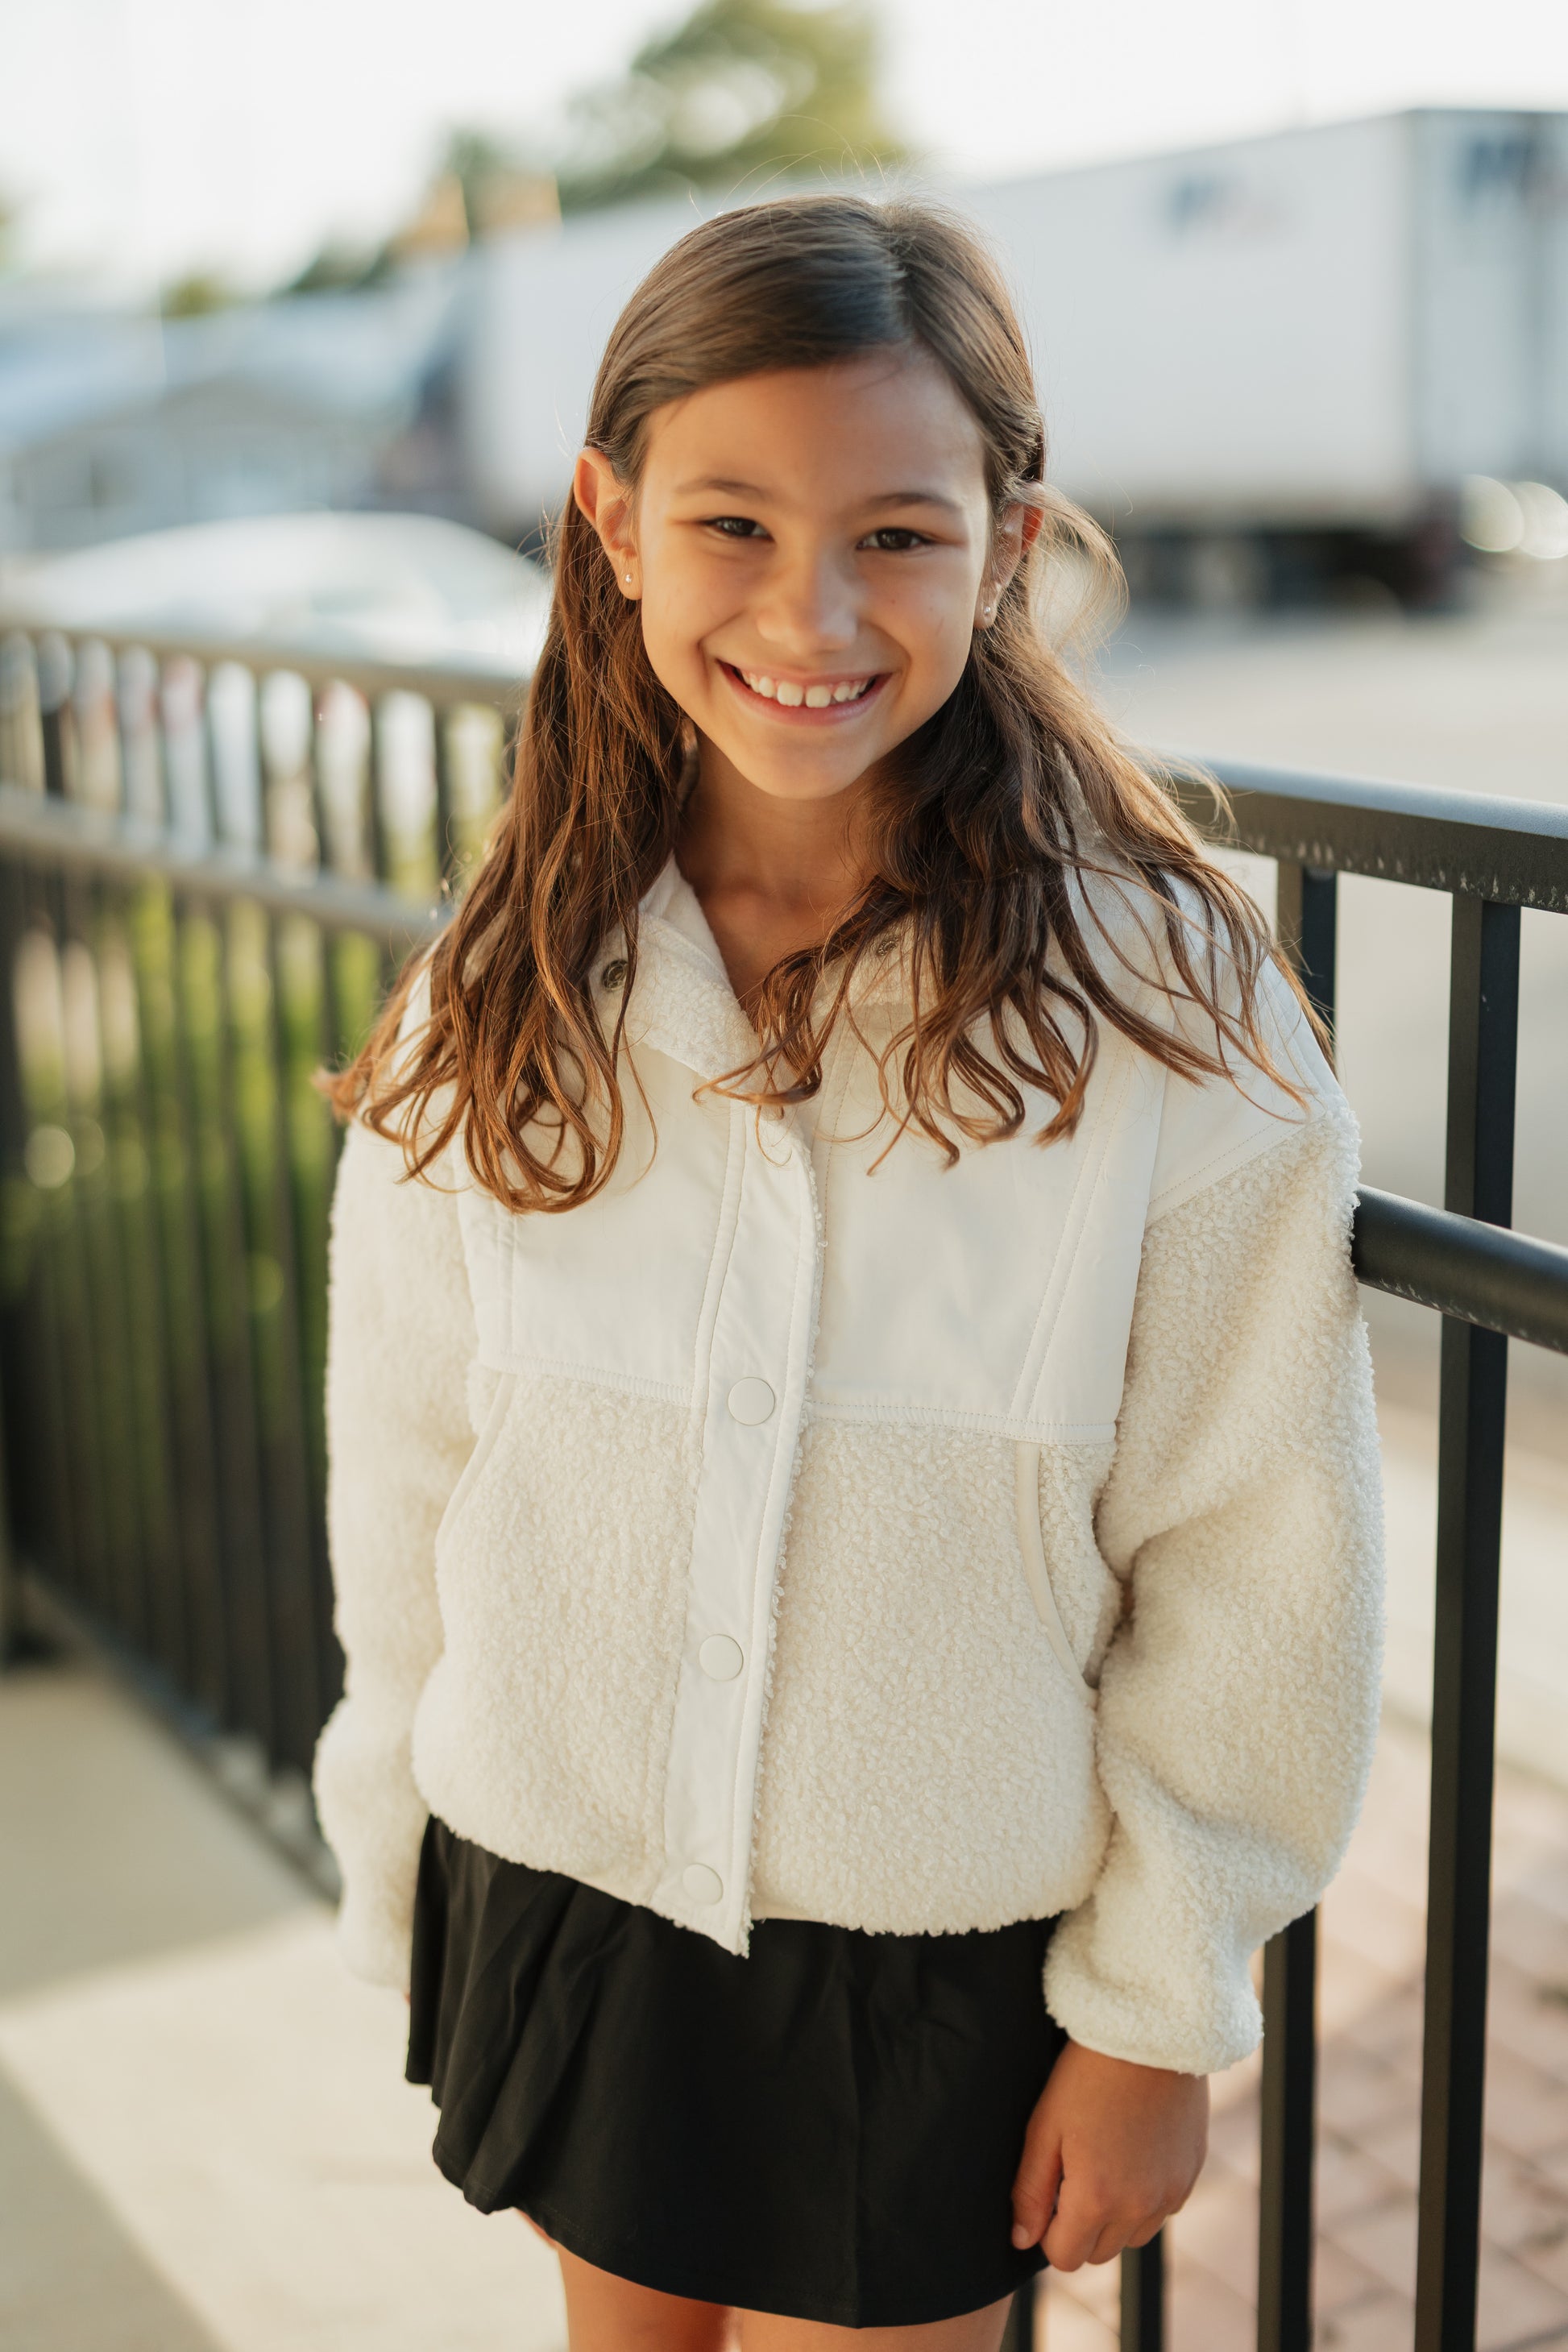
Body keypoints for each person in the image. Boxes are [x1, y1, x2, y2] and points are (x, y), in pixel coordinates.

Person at [314, 194, 1383, 2352]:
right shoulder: (505, 982)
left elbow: (1256, 1545)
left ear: (1006, 538)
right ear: (608, 523)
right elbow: (409, 1463)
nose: (810, 607)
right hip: (568, 1876)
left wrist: (1157, 2008)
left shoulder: (1168, 1016)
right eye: (729, 522)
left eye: (895, 531)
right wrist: (402, 1836)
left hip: (934, 1941)